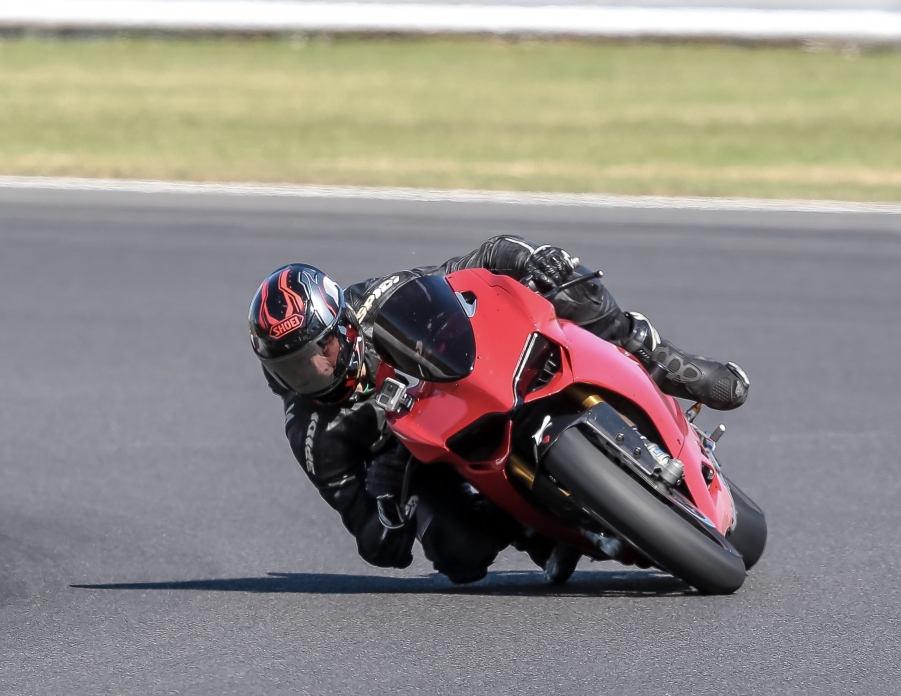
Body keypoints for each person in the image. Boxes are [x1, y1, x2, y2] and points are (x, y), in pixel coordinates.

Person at [248, 235, 750, 585]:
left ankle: (664, 361)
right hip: (430, 454)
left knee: (562, 282)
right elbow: (377, 544)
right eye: (292, 369)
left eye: (319, 353)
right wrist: (386, 493)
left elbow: (472, 264)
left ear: (342, 325)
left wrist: (528, 259)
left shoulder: (374, 301)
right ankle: (538, 530)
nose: (312, 372)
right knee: (457, 555)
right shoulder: (313, 431)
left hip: (476, 375)